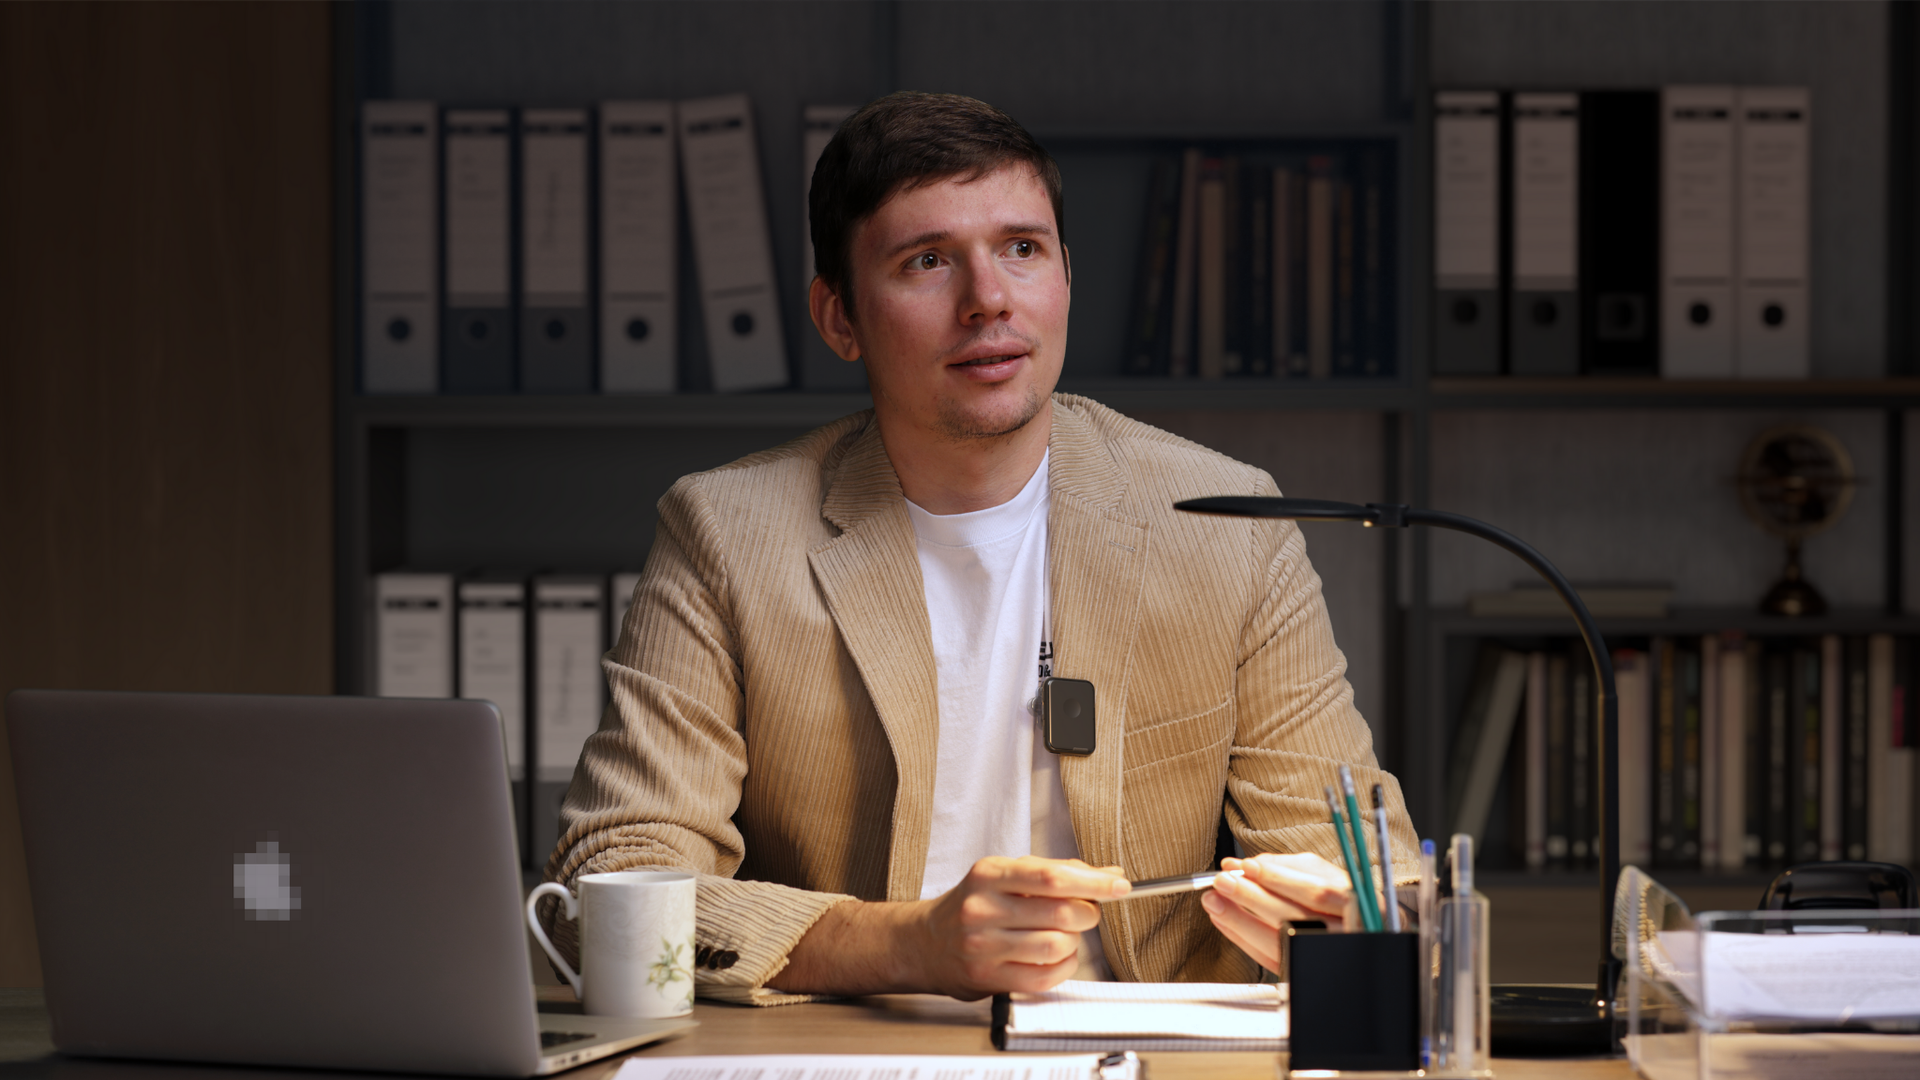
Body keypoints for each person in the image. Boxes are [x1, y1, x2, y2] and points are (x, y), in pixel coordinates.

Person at [539, 91, 1418, 1005]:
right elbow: (604, 891)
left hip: (1147, 1054)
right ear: (839, 318)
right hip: (842, 1052)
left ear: (1066, 276)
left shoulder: (1226, 525)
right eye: (927, 262)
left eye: (1022, 250)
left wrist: (1356, 927)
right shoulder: (726, 532)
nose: (988, 300)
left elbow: (1379, 879)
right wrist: (905, 944)